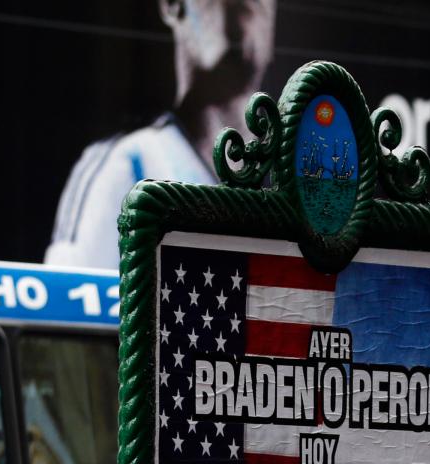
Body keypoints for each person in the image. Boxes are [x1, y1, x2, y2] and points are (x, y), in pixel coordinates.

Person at [45, 0, 277, 269]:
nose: (245, 7)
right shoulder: (127, 163)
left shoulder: (293, 177)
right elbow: (75, 299)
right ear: (172, 6)